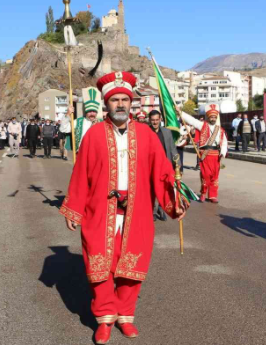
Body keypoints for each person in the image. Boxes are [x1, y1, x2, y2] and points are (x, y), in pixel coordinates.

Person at [60, 71, 188, 344]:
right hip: (99, 211)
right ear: (107, 103)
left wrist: (173, 201)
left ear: (132, 103)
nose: (120, 104)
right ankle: (105, 318)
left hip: (136, 210)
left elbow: (162, 171)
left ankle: (125, 316)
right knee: (100, 265)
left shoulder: (146, 134)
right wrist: (74, 208)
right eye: (115, 100)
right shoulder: (94, 135)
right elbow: (81, 173)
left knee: (131, 266)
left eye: (124, 100)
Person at [179, 104, 228, 203]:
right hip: (205, 154)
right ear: (208, 117)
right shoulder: (202, 125)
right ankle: (203, 193)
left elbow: (224, 142)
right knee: (205, 176)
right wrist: (180, 112)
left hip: (216, 155)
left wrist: (222, 152)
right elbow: (192, 120)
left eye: (214, 117)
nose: (213, 118)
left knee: (214, 177)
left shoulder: (220, 130)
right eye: (211, 117)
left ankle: (212, 196)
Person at [148, 110, 178, 221]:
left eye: (157, 120)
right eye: (153, 120)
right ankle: (153, 211)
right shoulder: (146, 132)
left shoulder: (166, 132)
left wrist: (178, 165)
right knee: (152, 189)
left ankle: (161, 209)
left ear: (160, 119)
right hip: (150, 166)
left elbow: (172, 149)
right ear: (149, 120)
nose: (155, 122)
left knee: (165, 188)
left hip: (165, 165)